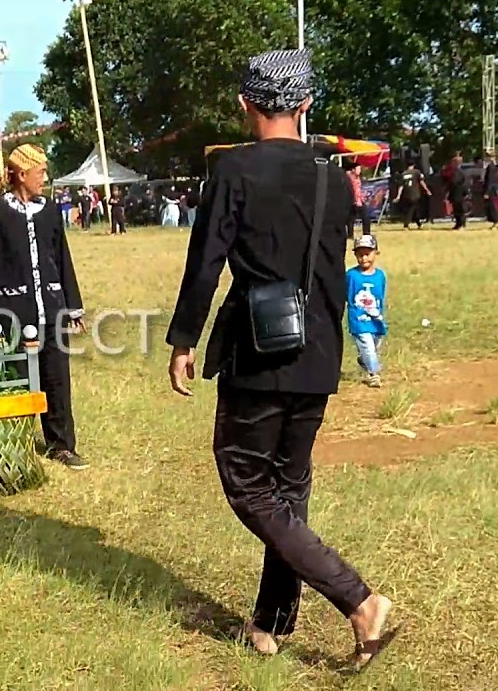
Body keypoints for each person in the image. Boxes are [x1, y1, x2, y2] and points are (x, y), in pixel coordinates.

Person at [165, 49, 395, 666]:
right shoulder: (333, 177)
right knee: (287, 489)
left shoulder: (233, 170)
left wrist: (184, 340)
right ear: (306, 103)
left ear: (245, 104)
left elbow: (205, 262)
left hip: (260, 346)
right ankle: (270, 622)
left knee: (246, 480)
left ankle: (359, 600)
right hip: (320, 347)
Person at [0, 143, 88, 470]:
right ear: (22, 174)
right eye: (41, 172)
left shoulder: (49, 211)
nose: (44, 179)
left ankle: (61, 445)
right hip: (15, 311)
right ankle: (15, 445)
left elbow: (61, 256)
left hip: (52, 306)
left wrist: (73, 305)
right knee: (18, 377)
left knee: (57, 377)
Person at [346, 235, 387, 388]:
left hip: (376, 320)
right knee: (367, 346)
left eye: (367, 254)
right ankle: (373, 374)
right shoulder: (351, 275)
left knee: (375, 345)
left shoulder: (380, 275)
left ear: (376, 253)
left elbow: (380, 296)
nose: (364, 258)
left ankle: (364, 360)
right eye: (360, 254)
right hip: (359, 320)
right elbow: (346, 294)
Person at [393, 160, 430, 230]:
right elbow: (421, 182)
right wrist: (427, 190)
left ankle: (419, 224)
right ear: (413, 165)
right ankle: (406, 225)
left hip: (406, 194)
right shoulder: (416, 172)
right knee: (411, 210)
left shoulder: (403, 174)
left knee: (414, 209)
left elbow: (401, 186)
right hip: (415, 194)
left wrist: (398, 196)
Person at [344, 160, 371, 237]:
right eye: (358, 169)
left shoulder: (357, 178)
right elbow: (353, 190)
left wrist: (362, 198)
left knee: (364, 217)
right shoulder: (349, 178)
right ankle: (351, 234)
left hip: (359, 200)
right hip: (352, 201)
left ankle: (366, 234)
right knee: (352, 218)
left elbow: (358, 190)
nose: (360, 170)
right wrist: (356, 200)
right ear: (353, 170)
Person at [442, 152, 468, 229]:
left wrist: (447, 188)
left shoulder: (457, 172)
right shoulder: (459, 172)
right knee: (456, 208)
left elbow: (454, 182)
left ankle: (461, 223)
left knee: (459, 209)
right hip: (456, 192)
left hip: (458, 192)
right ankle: (458, 223)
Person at [480, 153, 498, 229]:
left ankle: (496, 222)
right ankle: (496, 221)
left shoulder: (490, 167)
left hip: (491, 190)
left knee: (492, 206)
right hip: (494, 189)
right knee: (493, 206)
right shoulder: (494, 166)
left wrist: (487, 192)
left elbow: (490, 180)